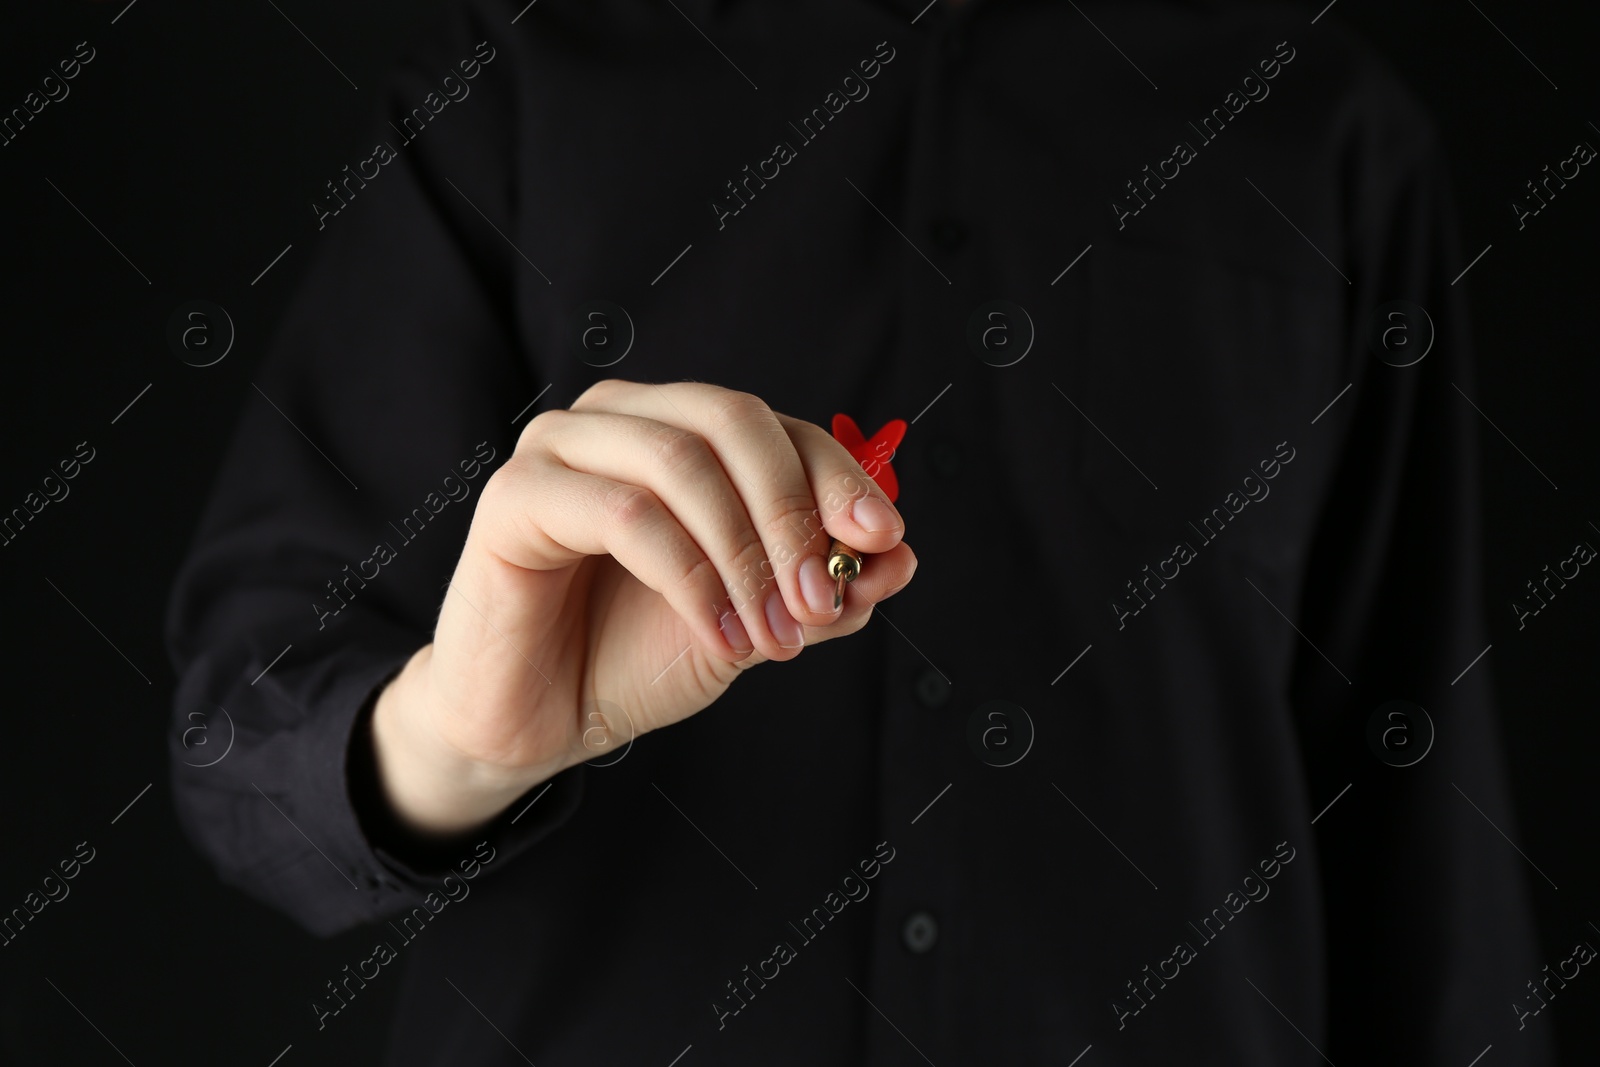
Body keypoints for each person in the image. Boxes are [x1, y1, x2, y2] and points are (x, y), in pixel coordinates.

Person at [166, 0, 1553, 1062]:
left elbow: (1418, 813)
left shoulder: (1321, 127)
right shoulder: (525, 77)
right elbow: (244, 745)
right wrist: (460, 742)